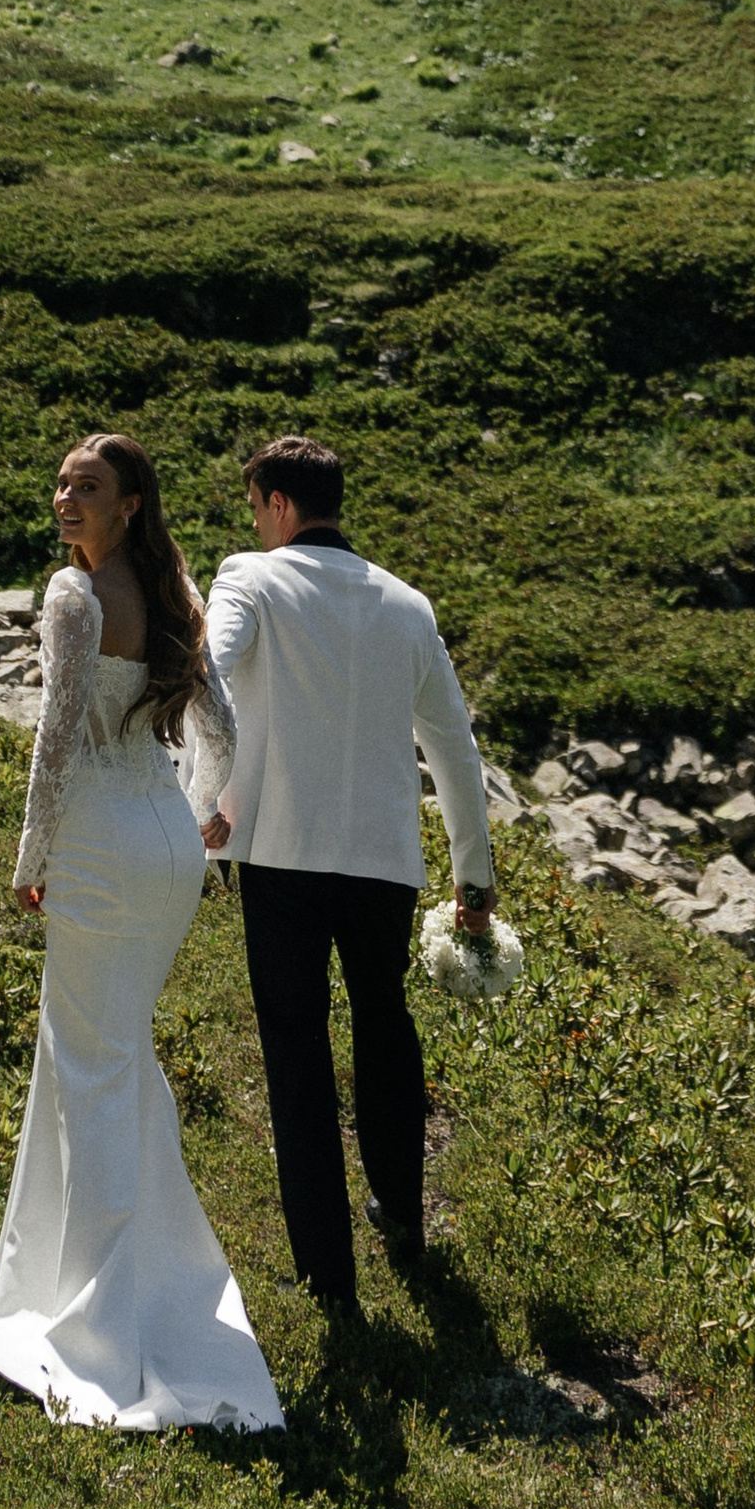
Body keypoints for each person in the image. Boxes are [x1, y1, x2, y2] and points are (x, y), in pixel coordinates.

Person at [0, 432, 284, 1432]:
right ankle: (97, 1283)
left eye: (88, 486)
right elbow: (221, 731)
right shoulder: (175, 594)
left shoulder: (74, 597)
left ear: (131, 502)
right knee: (109, 1058)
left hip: (102, 850)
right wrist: (198, 815)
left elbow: (54, 737)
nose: (65, 497)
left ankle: (105, 1326)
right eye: (61, 481)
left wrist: (30, 860)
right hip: (164, 850)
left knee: (93, 1067)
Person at [204, 432, 495, 1313]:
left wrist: (195, 800)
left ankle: (327, 1272)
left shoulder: (248, 580)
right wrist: (473, 882)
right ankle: (401, 1215)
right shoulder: (408, 606)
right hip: (383, 866)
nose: (254, 526)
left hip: (282, 858)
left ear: (280, 505)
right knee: (384, 1025)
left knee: (297, 1052)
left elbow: (212, 668)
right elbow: (454, 748)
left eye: (257, 508)